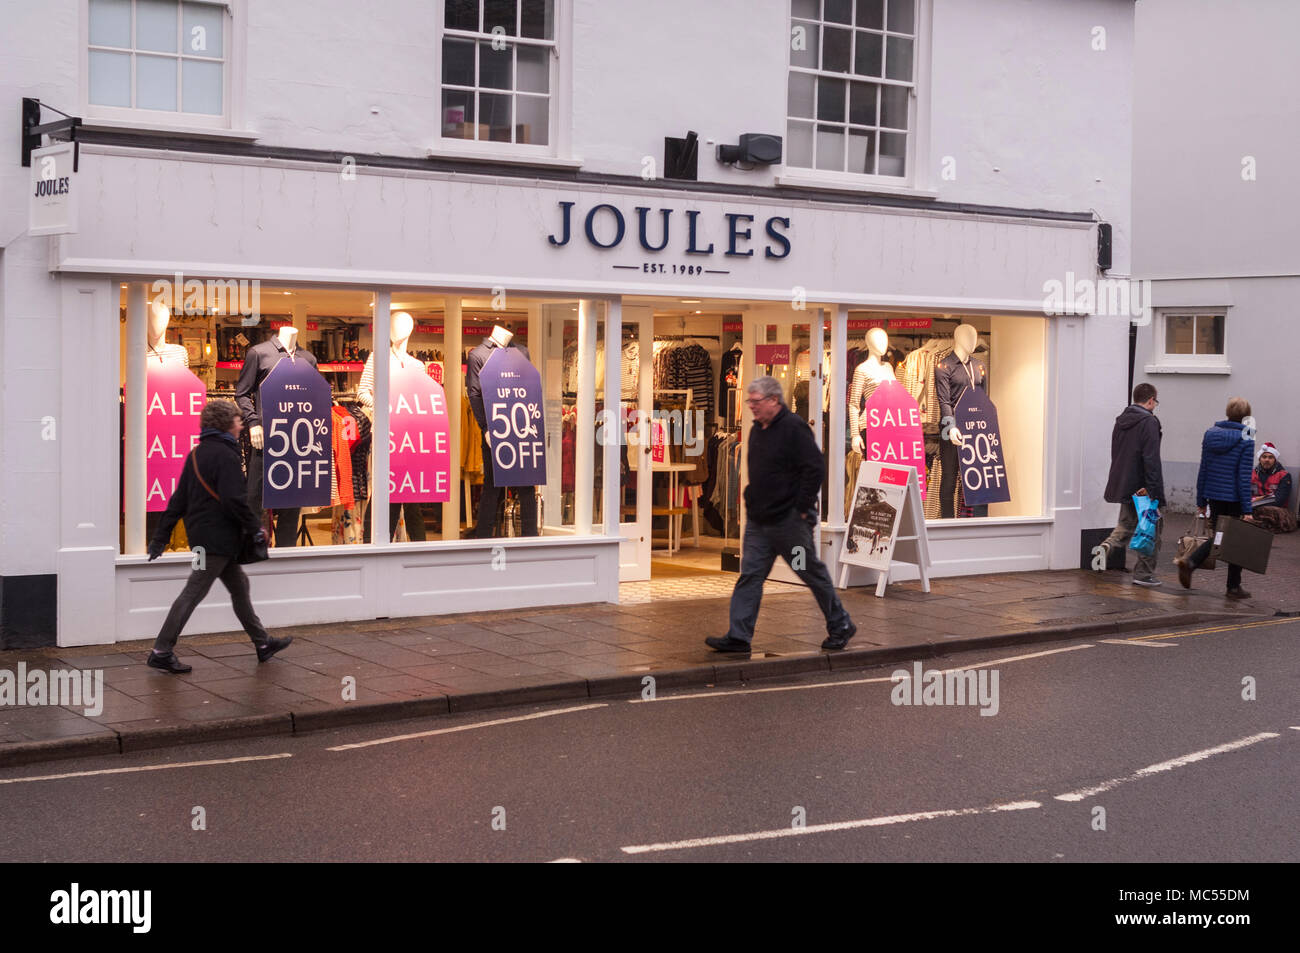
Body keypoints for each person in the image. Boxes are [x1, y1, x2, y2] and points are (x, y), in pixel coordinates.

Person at [706, 377, 856, 653]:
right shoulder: (758, 429)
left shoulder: (794, 428)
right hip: (759, 522)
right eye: (749, 401)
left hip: (789, 523)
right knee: (750, 575)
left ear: (774, 400)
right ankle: (739, 636)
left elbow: (814, 469)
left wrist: (801, 508)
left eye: (755, 401)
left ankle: (841, 623)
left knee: (808, 570)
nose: (750, 406)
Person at [146, 399, 292, 673]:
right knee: (193, 592)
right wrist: (254, 528)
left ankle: (262, 644)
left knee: (239, 588)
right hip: (218, 544)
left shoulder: (196, 454)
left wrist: (160, 537)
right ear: (227, 424)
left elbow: (178, 500)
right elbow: (234, 500)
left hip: (206, 541)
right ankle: (161, 650)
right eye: (238, 420)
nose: (241, 425)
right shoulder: (226, 455)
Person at [1175, 397, 1255, 598]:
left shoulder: (1210, 434)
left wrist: (1201, 500)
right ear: (1246, 416)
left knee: (1220, 535)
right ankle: (1231, 586)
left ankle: (1193, 564)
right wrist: (1247, 509)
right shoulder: (1247, 437)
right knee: (1234, 540)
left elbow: (1204, 468)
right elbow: (1243, 476)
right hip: (1235, 498)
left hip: (1214, 495)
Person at [1095, 382, 1165, 586]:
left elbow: (1116, 452)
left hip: (1124, 482)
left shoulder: (1122, 420)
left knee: (1125, 525)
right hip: (1143, 487)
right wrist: (1153, 490)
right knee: (1152, 529)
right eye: (1155, 402)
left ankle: (1106, 547)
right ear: (1151, 400)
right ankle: (1144, 574)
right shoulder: (1149, 422)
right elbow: (1151, 458)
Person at [1249, 442, 1295, 533]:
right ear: (1259, 459)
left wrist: (1254, 502)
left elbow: (1280, 500)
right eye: (1264, 457)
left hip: (1275, 509)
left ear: (1275, 459)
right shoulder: (1251, 474)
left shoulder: (1284, 475)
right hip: (1253, 505)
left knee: (1267, 511)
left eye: (1270, 457)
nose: (1267, 460)